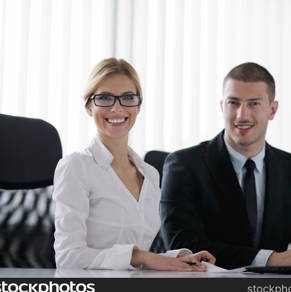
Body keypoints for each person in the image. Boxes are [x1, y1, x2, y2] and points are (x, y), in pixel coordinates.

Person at [160, 62, 291, 269]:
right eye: (234, 103)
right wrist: (270, 259)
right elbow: (183, 247)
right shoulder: (184, 166)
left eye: (254, 104)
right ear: (222, 106)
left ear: (272, 110)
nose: (242, 115)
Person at [53, 57, 215, 270]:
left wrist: (176, 259)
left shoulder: (149, 174)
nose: (117, 108)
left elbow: (135, 258)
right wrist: (140, 257)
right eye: (105, 98)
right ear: (89, 106)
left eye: (128, 98)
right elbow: (68, 258)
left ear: (138, 106)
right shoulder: (76, 167)